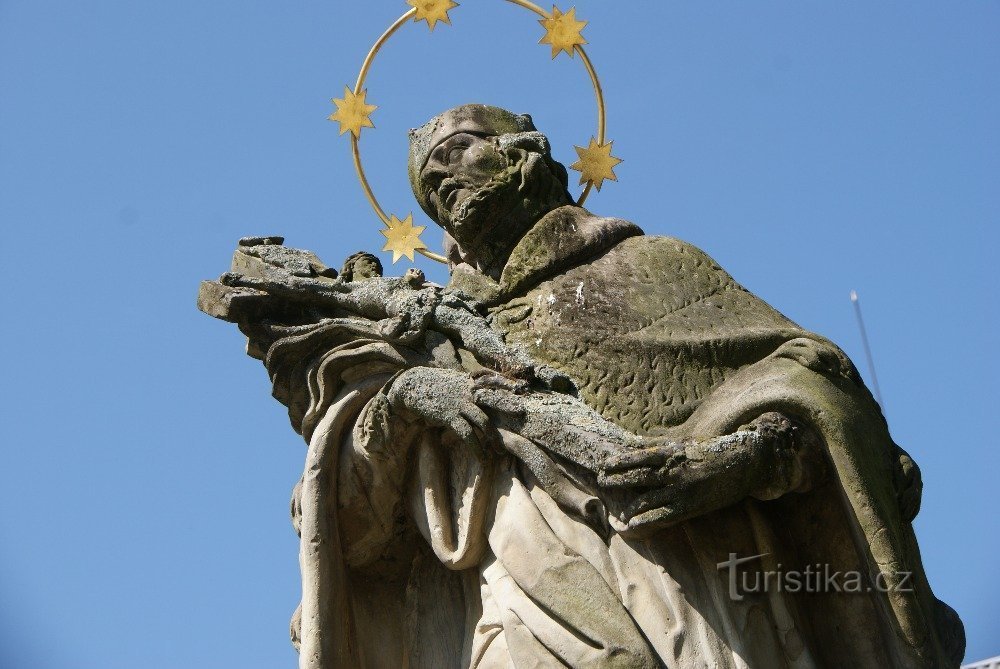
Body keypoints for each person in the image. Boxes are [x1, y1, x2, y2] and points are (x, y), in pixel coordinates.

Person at [203, 104, 964, 668]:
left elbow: (815, 389)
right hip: (516, 600)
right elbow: (346, 522)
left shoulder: (651, 266)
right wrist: (406, 404)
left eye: (457, 150)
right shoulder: (429, 337)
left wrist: (728, 462)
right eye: (427, 185)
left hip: (692, 585)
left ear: (526, 151)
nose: (440, 180)